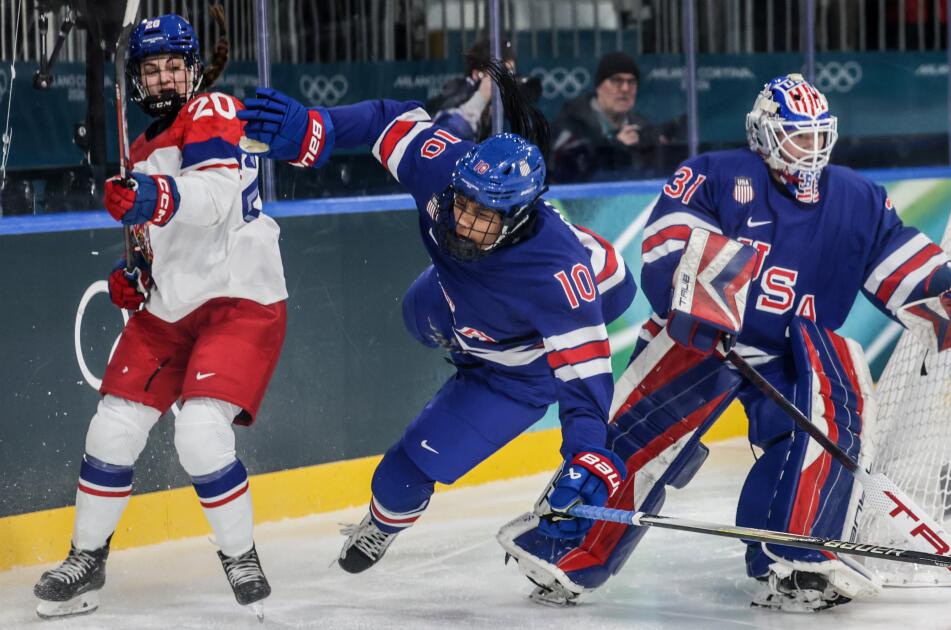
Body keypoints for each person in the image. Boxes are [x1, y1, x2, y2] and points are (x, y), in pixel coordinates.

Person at [498, 73, 951, 612]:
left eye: (820, 135)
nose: (811, 149)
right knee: (639, 433)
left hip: (790, 351)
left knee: (835, 407)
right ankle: (562, 544)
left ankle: (795, 556)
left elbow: (900, 258)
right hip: (706, 335)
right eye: (798, 135)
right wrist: (694, 298)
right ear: (764, 135)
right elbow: (668, 239)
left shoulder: (856, 197)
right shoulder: (717, 175)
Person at [236, 61, 637, 576]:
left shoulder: (558, 278)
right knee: (414, 315)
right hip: (452, 300)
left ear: (518, 218)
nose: (463, 221)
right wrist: (319, 127)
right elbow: (387, 120)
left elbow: (584, 385)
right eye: (463, 202)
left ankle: (383, 524)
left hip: (517, 372)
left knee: (402, 474)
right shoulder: (444, 167)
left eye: (483, 216)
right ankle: (457, 325)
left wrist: (585, 457)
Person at [33, 14, 285, 619]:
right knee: (112, 427)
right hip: (169, 308)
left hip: (239, 298)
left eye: (176, 66)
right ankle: (87, 558)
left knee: (200, 434)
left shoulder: (214, 111)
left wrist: (154, 197)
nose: (167, 78)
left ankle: (240, 554)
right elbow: (156, 240)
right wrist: (137, 276)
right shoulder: (140, 149)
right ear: (138, 78)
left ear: (193, 70)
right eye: (153, 68)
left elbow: (215, 199)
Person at [549, 51, 663, 182]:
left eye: (631, 81)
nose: (625, 88)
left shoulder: (642, 126)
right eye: (616, 80)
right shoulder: (571, 124)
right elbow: (564, 171)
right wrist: (613, 146)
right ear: (599, 86)